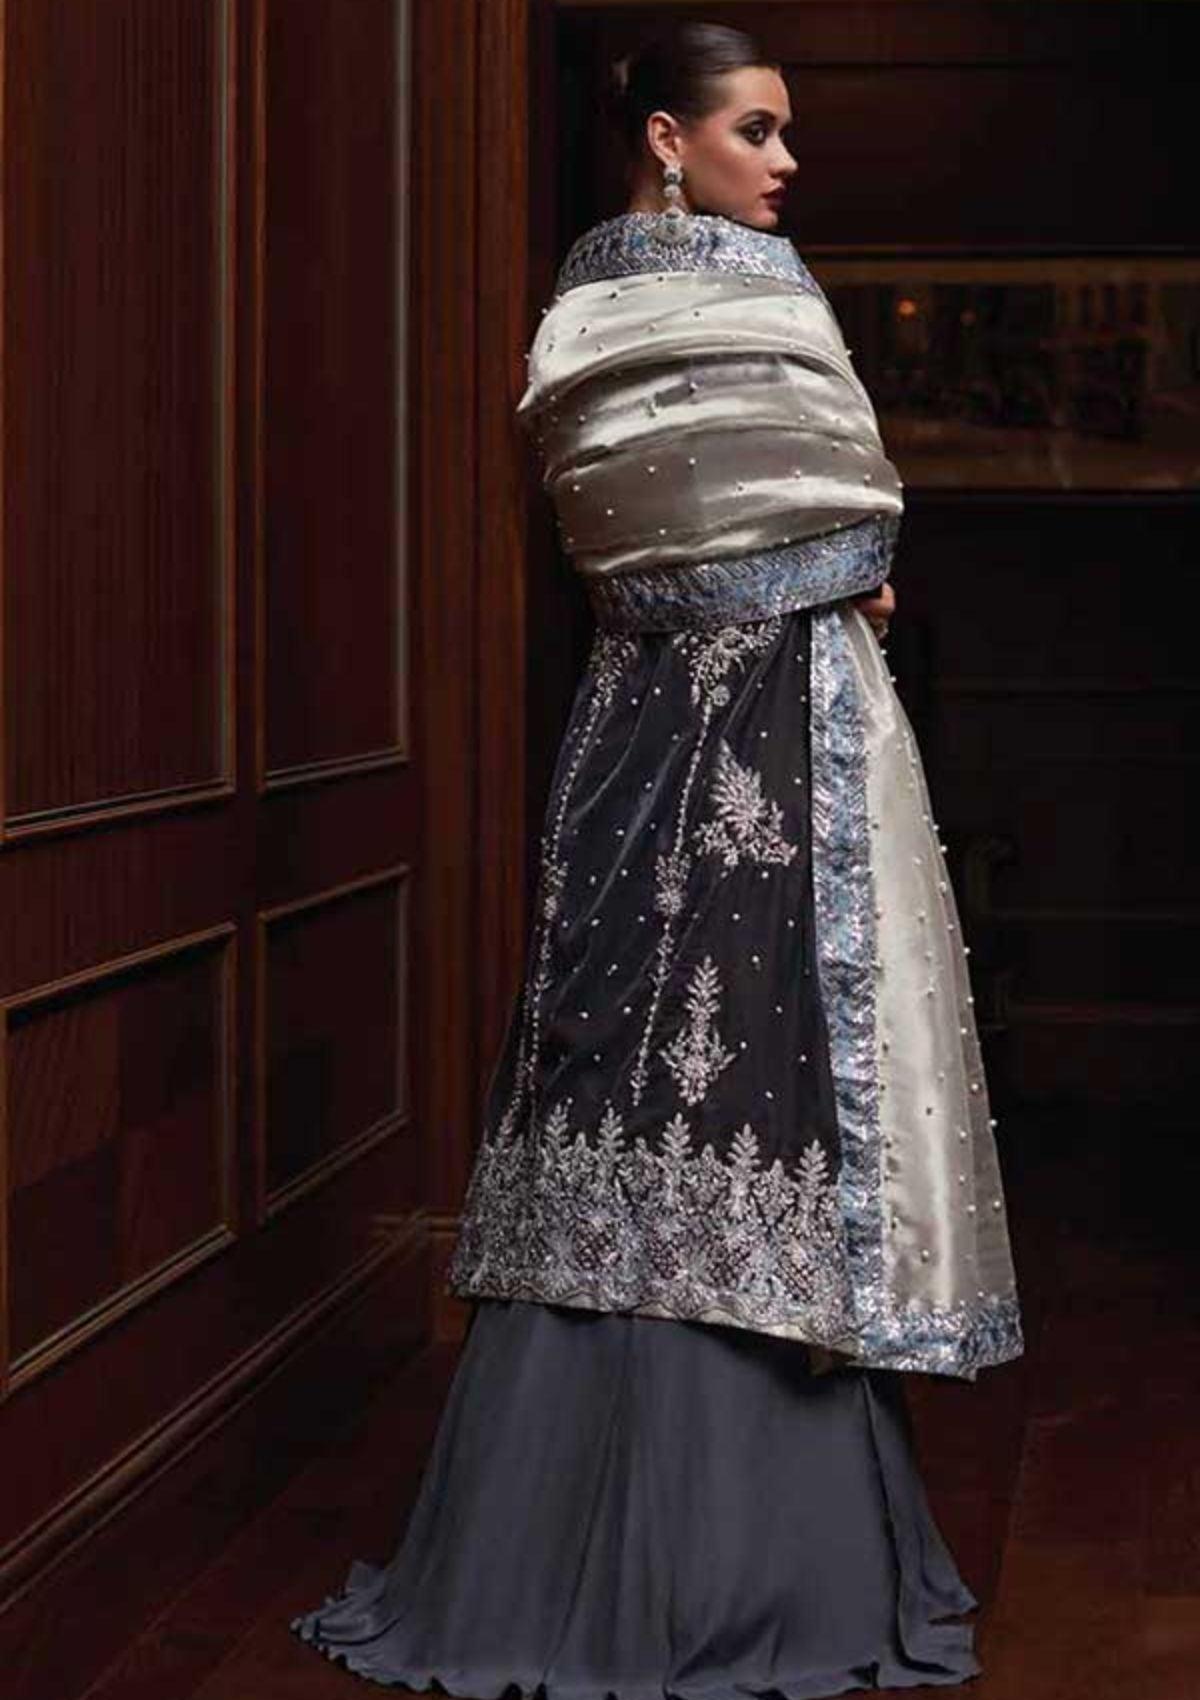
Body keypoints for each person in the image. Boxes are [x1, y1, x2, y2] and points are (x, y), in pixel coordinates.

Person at [289, 20, 1024, 1695]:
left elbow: (690, 535)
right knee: (740, 1082)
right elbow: (810, 522)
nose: (785, 162)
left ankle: (576, 1552)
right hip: (749, 738)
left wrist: (829, 555)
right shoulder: (723, 291)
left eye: (787, 132)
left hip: (657, 739)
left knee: (652, 1081)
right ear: (664, 139)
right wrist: (846, 564)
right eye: (754, 130)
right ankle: (731, 1566)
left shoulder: (597, 298)